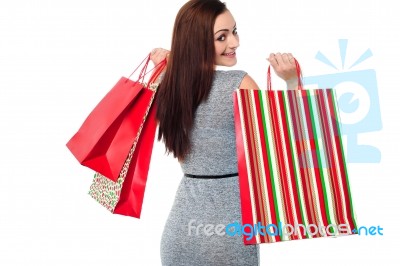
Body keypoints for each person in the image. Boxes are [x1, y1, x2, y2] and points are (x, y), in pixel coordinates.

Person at [150, 0, 299, 265]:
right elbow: (289, 140)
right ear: (197, 43)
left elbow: (182, 70)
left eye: (234, 31)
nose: (235, 42)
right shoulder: (237, 83)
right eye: (222, 37)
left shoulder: (167, 87)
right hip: (229, 232)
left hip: (179, 233)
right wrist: (291, 81)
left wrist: (167, 63)